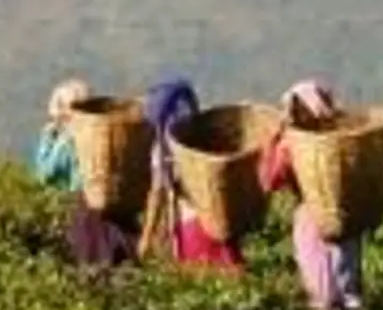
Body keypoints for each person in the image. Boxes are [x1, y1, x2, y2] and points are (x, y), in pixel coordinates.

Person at [259, 80, 365, 310]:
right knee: (347, 280)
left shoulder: (292, 146)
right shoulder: (344, 139)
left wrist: (270, 145)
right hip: (344, 211)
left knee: (321, 286)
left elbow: (270, 181)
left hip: (311, 215)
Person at [138, 76, 244, 272]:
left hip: (190, 226)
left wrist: (146, 239)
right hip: (218, 221)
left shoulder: (164, 147)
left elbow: (158, 193)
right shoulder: (207, 135)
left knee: (200, 279)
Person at [32, 78, 137, 272]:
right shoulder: (103, 134)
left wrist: (48, 139)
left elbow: (45, 173)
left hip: (81, 203)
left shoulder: (71, 140)